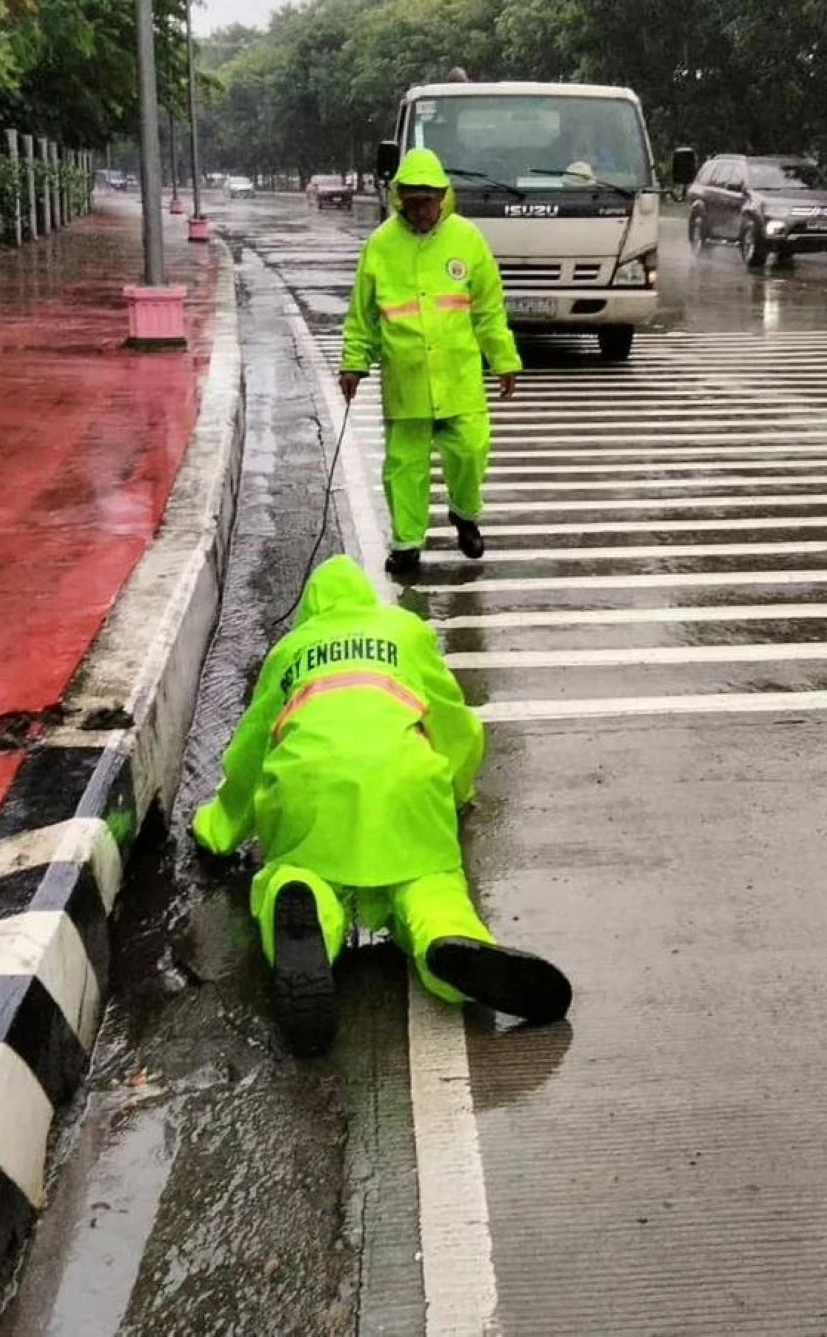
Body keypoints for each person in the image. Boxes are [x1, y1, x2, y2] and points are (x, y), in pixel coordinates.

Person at [191, 555, 572, 1057]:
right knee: (431, 888)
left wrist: (218, 829)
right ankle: (444, 941)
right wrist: (458, 793)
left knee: (303, 874)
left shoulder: (289, 651)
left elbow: (248, 754)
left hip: (307, 792)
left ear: (313, 609)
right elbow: (456, 724)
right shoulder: (404, 631)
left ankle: (301, 899)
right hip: (407, 789)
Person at [340, 147, 520, 578]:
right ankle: (406, 544)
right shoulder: (380, 245)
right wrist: (353, 363)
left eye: (428, 200)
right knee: (405, 466)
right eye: (412, 200)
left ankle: (464, 514)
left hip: (459, 377)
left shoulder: (468, 240)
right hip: (406, 381)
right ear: (400, 198)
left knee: (471, 451)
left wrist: (504, 359)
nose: (421, 209)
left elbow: (489, 309)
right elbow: (361, 314)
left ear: (444, 197)